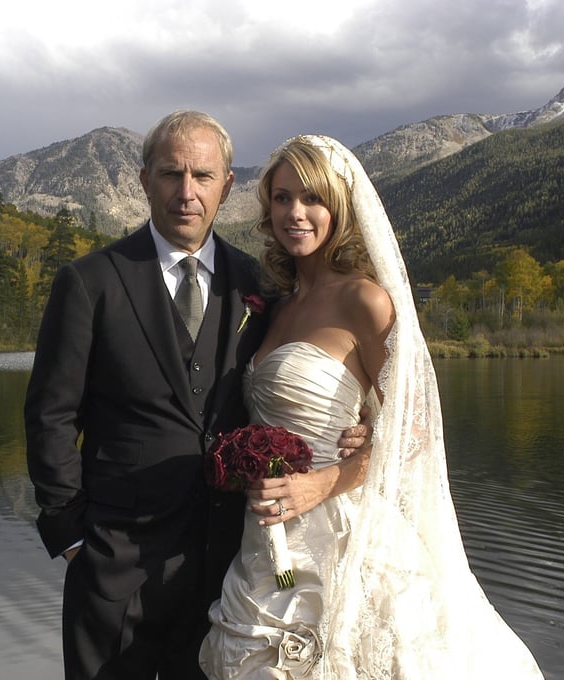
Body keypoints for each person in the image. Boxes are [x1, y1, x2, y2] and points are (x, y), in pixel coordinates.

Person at [24, 111, 369, 680]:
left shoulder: (258, 285)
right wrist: (71, 537)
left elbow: (321, 377)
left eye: (203, 176)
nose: (187, 192)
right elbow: (51, 415)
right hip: (114, 563)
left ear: (226, 185)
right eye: (171, 174)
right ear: (144, 181)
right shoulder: (91, 282)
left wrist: (363, 429)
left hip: (229, 566)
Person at [199, 135, 545, 679]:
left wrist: (326, 478)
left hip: (340, 526)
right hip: (268, 530)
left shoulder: (365, 299)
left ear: (339, 206)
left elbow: (418, 430)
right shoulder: (278, 305)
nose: (295, 213)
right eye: (283, 198)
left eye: (312, 199)